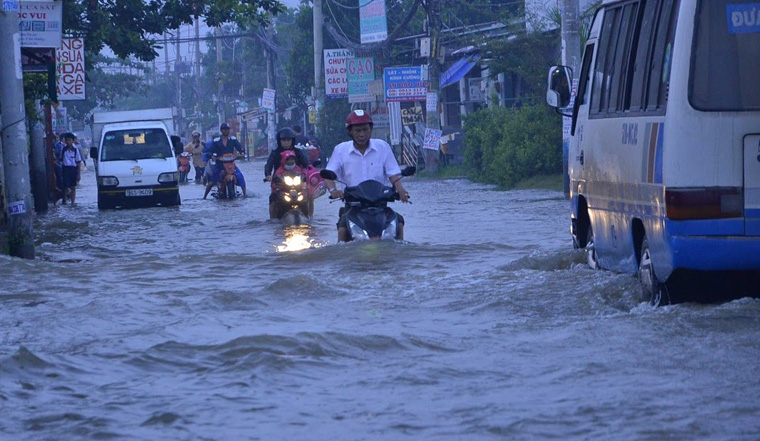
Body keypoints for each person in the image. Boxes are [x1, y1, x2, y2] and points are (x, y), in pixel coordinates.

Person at [324, 110, 410, 242]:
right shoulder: (340, 150)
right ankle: (343, 259)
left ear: (371, 129)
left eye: (365, 130)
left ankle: (400, 252)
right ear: (350, 132)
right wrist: (334, 191)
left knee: (398, 222)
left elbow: (393, 173)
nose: (362, 134)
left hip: (380, 206)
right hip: (353, 206)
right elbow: (329, 174)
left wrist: (401, 190)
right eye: (358, 131)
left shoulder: (383, 147)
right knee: (342, 228)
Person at [203, 123, 246, 199]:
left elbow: (240, 148)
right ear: (221, 130)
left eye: (227, 129)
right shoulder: (216, 141)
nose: (226, 131)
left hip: (231, 165)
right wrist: (212, 156)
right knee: (212, 181)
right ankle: (204, 196)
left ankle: (245, 195)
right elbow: (209, 151)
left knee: (240, 176)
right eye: (224, 129)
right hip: (220, 165)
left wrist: (242, 153)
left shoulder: (233, 140)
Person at [269, 150, 309, 218]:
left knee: (307, 197)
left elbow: (304, 176)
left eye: (292, 159)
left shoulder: (298, 169)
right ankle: (273, 219)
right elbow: (274, 183)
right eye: (288, 160)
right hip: (283, 191)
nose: (290, 161)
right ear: (284, 160)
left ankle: (308, 215)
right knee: (273, 199)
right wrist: (276, 184)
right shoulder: (279, 171)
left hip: (297, 191)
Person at [59, 132, 83, 205]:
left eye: (70, 140)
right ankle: (64, 200)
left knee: (73, 187)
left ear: (73, 140)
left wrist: (79, 174)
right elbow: (60, 159)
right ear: (65, 141)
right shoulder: (63, 150)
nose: (69, 142)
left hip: (73, 170)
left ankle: (73, 202)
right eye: (67, 140)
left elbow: (78, 162)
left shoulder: (75, 150)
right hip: (65, 169)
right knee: (65, 186)